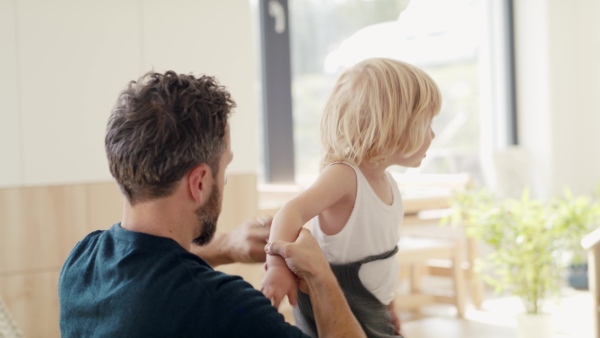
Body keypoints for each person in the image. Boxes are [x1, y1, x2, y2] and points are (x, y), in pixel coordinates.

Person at [58, 71, 366, 338]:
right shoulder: (227, 308)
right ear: (200, 182)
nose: (226, 180)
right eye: (225, 166)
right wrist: (321, 277)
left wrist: (227, 247)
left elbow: (149, 267)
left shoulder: (81, 263)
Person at [261, 57, 441, 337]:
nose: (433, 134)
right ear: (394, 124)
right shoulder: (345, 176)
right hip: (335, 302)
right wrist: (277, 267)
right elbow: (290, 212)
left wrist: (387, 305)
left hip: (370, 307)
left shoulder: (388, 182)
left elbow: (380, 255)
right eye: (427, 124)